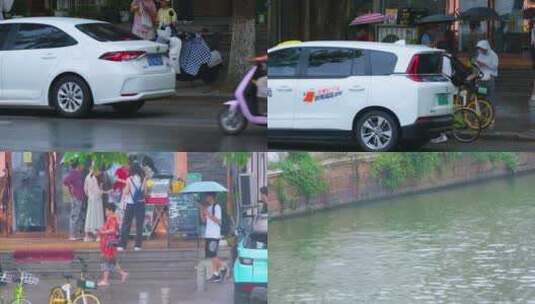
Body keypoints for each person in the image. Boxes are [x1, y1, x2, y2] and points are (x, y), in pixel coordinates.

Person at [97, 204, 128, 287]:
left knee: (106, 260)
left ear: (110, 210)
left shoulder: (112, 218)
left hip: (109, 242)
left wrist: (102, 232)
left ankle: (105, 280)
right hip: (110, 242)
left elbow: (113, 230)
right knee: (112, 260)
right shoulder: (112, 218)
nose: (105, 212)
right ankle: (122, 273)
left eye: (106, 210)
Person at [118, 163, 147, 252]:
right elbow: (145, 192)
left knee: (126, 224)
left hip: (130, 204)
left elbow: (126, 191)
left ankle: (122, 245)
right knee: (139, 225)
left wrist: (124, 190)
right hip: (140, 204)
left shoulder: (129, 179)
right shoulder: (143, 179)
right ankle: (137, 245)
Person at [200, 193, 227, 282]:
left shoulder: (217, 207)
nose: (206, 198)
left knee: (213, 255)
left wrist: (208, 213)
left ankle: (216, 274)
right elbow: (203, 221)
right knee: (211, 256)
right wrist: (202, 211)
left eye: (207, 196)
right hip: (208, 234)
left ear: (211, 197)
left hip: (214, 235)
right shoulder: (208, 207)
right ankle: (222, 268)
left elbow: (218, 221)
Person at [63, 161, 85, 241]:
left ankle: (77, 234)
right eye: (82, 164)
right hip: (76, 197)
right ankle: (72, 234)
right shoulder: (73, 173)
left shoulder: (79, 174)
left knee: (79, 215)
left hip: (80, 197)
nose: (83, 166)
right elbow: (65, 181)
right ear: (78, 165)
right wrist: (71, 187)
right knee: (74, 215)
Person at [84, 168, 107, 242]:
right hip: (97, 201)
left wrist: (90, 195)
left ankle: (88, 236)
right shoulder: (98, 178)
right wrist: (105, 192)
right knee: (98, 217)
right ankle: (98, 235)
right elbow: (99, 191)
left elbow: (85, 190)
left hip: (90, 200)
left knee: (90, 217)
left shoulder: (87, 177)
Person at [475, 40, 499, 105]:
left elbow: (495, 67)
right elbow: (477, 63)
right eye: (480, 49)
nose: (481, 50)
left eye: (483, 49)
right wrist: (477, 64)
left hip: (490, 79)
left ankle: (490, 109)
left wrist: (485, 65)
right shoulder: (480, 54)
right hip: (481, 78)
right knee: (482, 94)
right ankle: (482, 107)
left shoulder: (493, 55)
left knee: (489, 95)